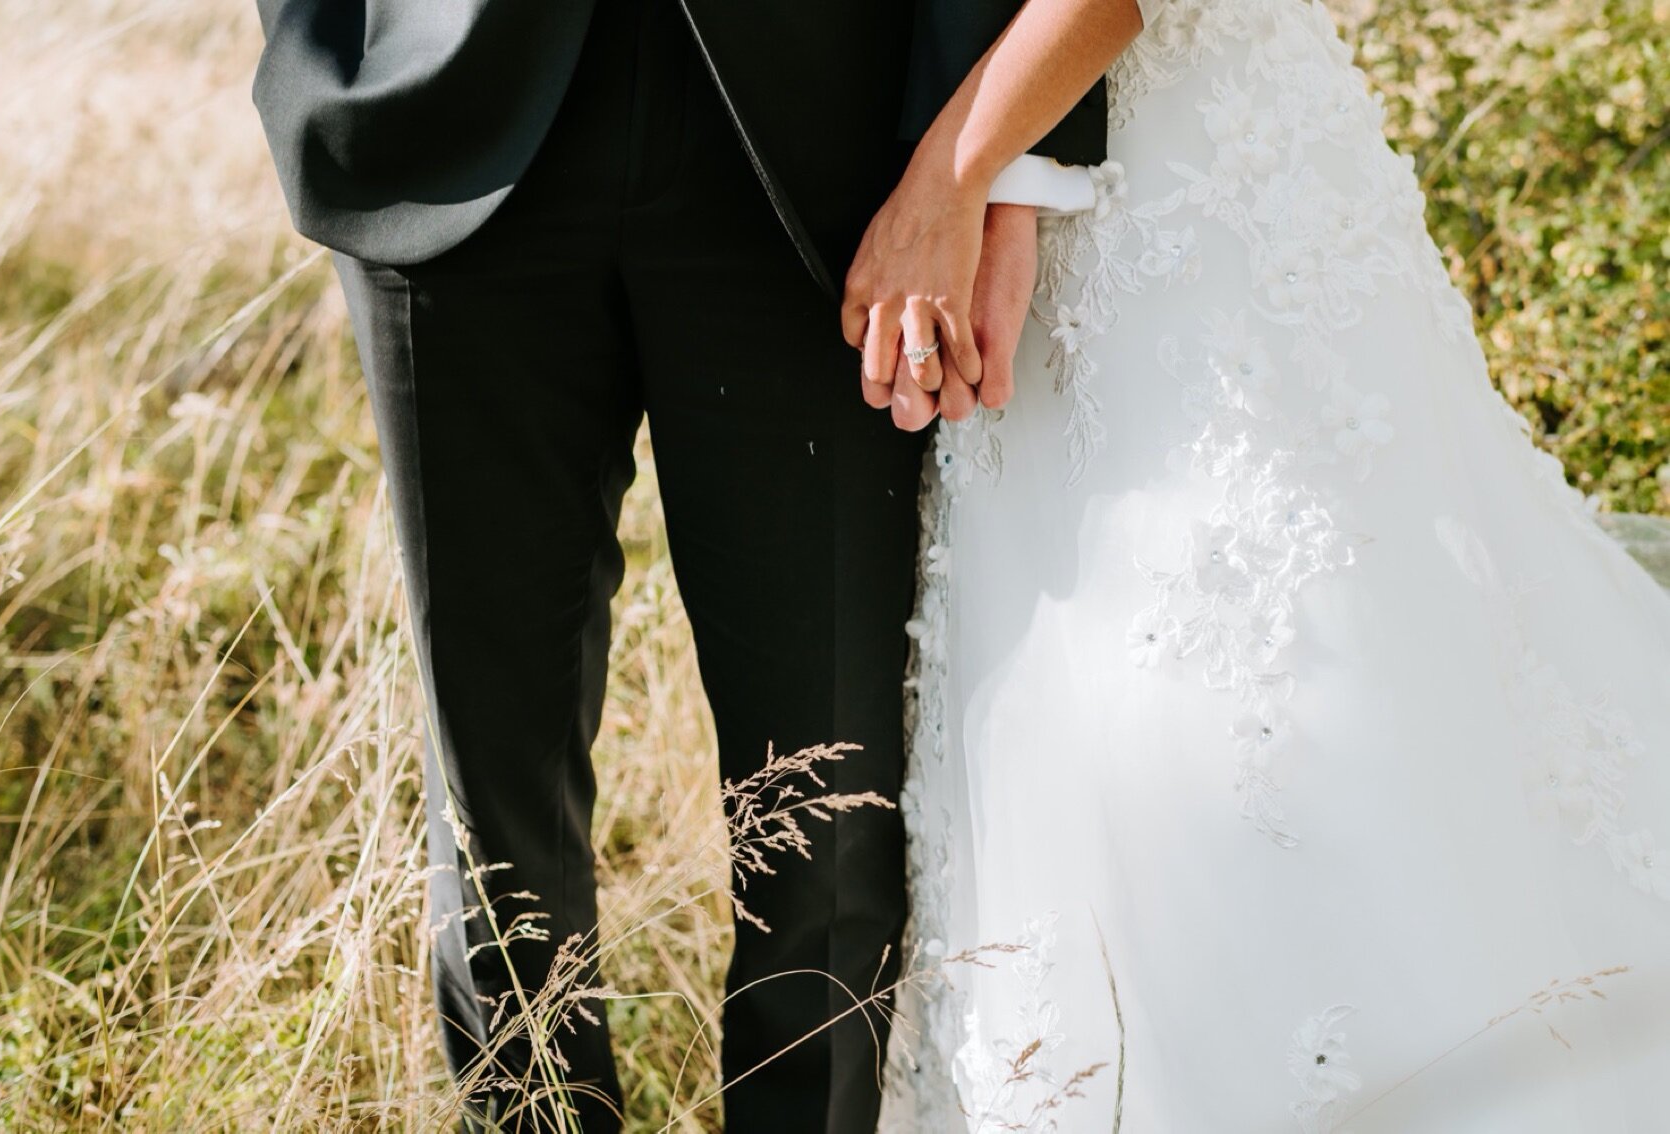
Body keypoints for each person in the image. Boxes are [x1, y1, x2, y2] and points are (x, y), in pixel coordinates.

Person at [249, 0, 1105, 1129]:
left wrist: (986, 166)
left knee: (824, 797)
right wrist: (323, 49)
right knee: (489, 794)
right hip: (445, 114)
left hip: (816, 146)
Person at [853, 0, 1670, 1129]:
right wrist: (989, 177)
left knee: (1271, 698)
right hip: (1057, 179)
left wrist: (953, 178)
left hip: (1196, 201)